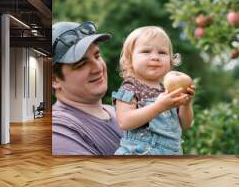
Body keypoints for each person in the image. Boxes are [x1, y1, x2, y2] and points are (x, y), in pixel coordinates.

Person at [112, 26, 195, 155]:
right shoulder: (130, 87)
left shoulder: (168, 89)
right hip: (138, 158)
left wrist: (186, 104)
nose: (155, 57)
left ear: (170, 60)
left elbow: (184, 125)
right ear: (130, 59)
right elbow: (125, 121)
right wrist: (158, 107)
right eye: (146, 51)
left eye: (162, 52)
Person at [51, 21, 122, 155]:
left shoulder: (116, 111)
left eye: (97, 56)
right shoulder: (59, 130)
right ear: (55, 80)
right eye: (81, 64)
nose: (98, 68)